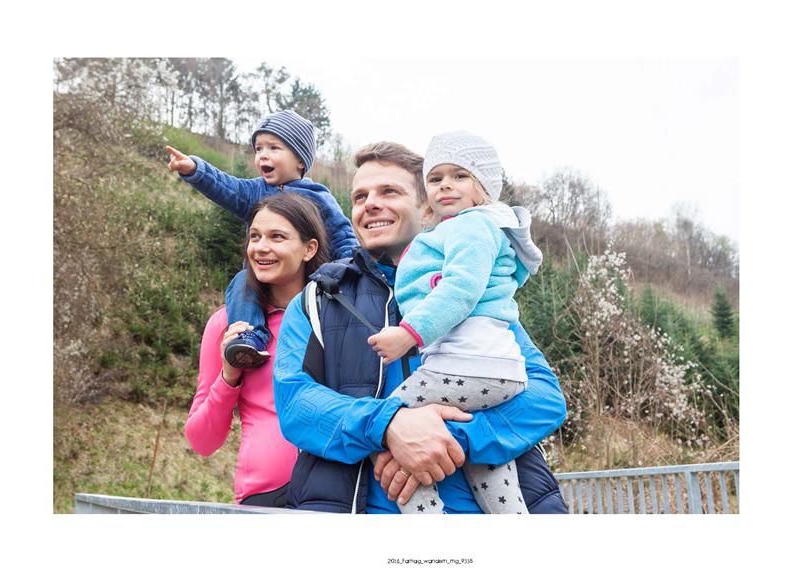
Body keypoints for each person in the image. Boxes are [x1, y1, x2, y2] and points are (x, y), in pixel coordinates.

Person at [273, 141, 568, 513]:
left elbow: (545, 398)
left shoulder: (475, 292)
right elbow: (295, 403)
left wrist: (450, 437)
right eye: (360, 196)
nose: (370, 204)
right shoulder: (320, 298)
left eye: (389, 192)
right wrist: (389, 426)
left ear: (426, 207)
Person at [366, 131, 544, 514]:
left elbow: (461, 289)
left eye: (460, 176)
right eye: (435, 178)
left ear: (484, 188)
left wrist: (408, 334)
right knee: (488, 462)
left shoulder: (472, 226)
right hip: (496, 370)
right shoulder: (475, 228)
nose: (445, 185)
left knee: (388, 423)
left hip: (466, 366)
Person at [166, 109, 357, 370]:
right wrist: (195, 170)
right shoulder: (256, 191)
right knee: (242, 281)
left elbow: (344, 237)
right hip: (261, 281)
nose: (263, 155)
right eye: (258, 149)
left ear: (300, 161)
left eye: (274, 148)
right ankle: (250, 337)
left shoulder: (318, 197)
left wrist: (348, 273)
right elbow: (226, 187)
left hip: (309, 280)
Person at [185, 193, 330, 507]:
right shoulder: (228, 324)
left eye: (277, 237)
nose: (261, 247)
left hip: (336, 490)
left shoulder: (336, 318)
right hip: (263, 496)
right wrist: (229, 376)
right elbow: (201, 441)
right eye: (255, 236)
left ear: (309, 249)